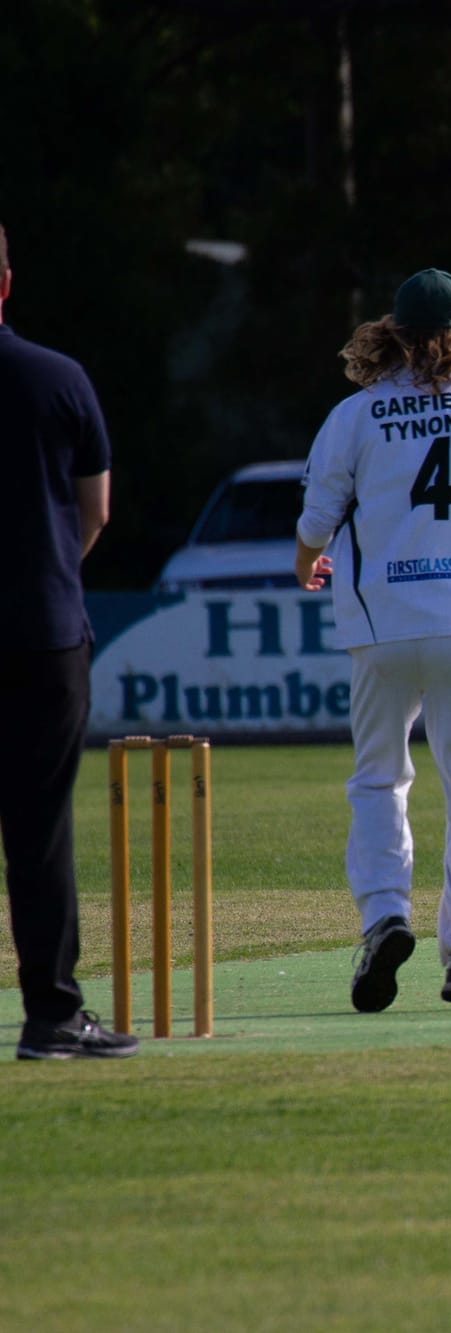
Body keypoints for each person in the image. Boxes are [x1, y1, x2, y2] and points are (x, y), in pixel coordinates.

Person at [295, 267, 451, 1012]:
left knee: (378, 777)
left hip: (381, 626)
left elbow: (315, 524)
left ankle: (383, 918)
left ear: (395, 335)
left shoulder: (355, 415)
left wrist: (308, 565)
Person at [0, 224, 138, 1059]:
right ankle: (51, 1016)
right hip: (42, 634)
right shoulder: (57, 378)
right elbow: (96, 513)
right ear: (7, 284)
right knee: (38, 831)